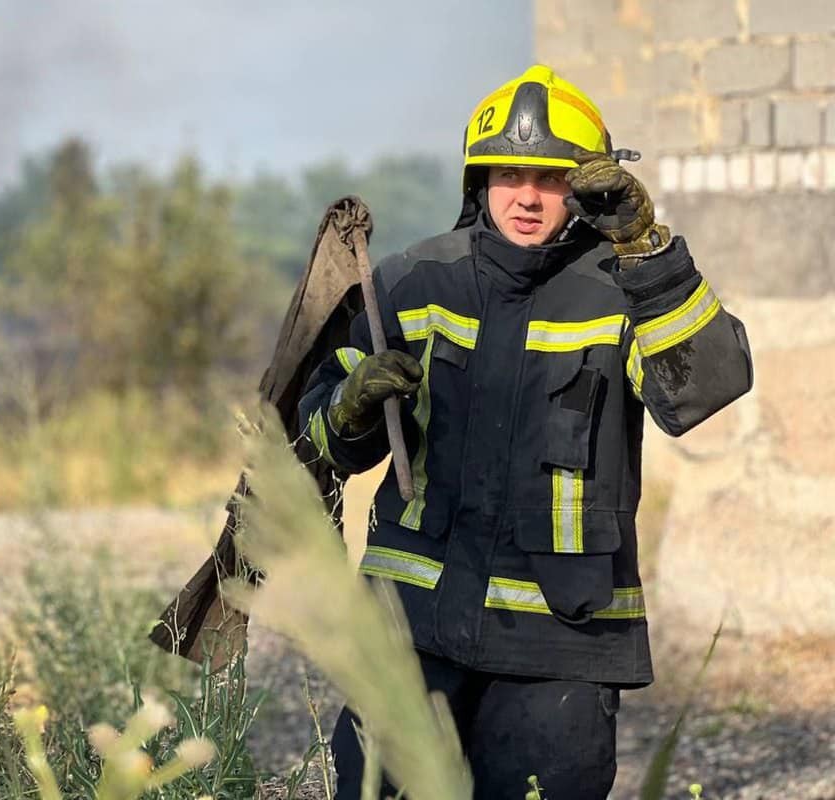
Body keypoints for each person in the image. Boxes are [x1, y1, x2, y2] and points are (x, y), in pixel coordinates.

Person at [298, 64, 753, 799]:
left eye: (551, 177)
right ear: (478, 181)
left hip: (560, 652)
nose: (528, 197)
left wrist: (649, 250)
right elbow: (318, 437)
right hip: (412, 634)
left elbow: (703, 390)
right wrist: (348, 407)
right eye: (508, 174)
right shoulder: (414, 281)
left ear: (586, 185)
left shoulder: (624, 289)